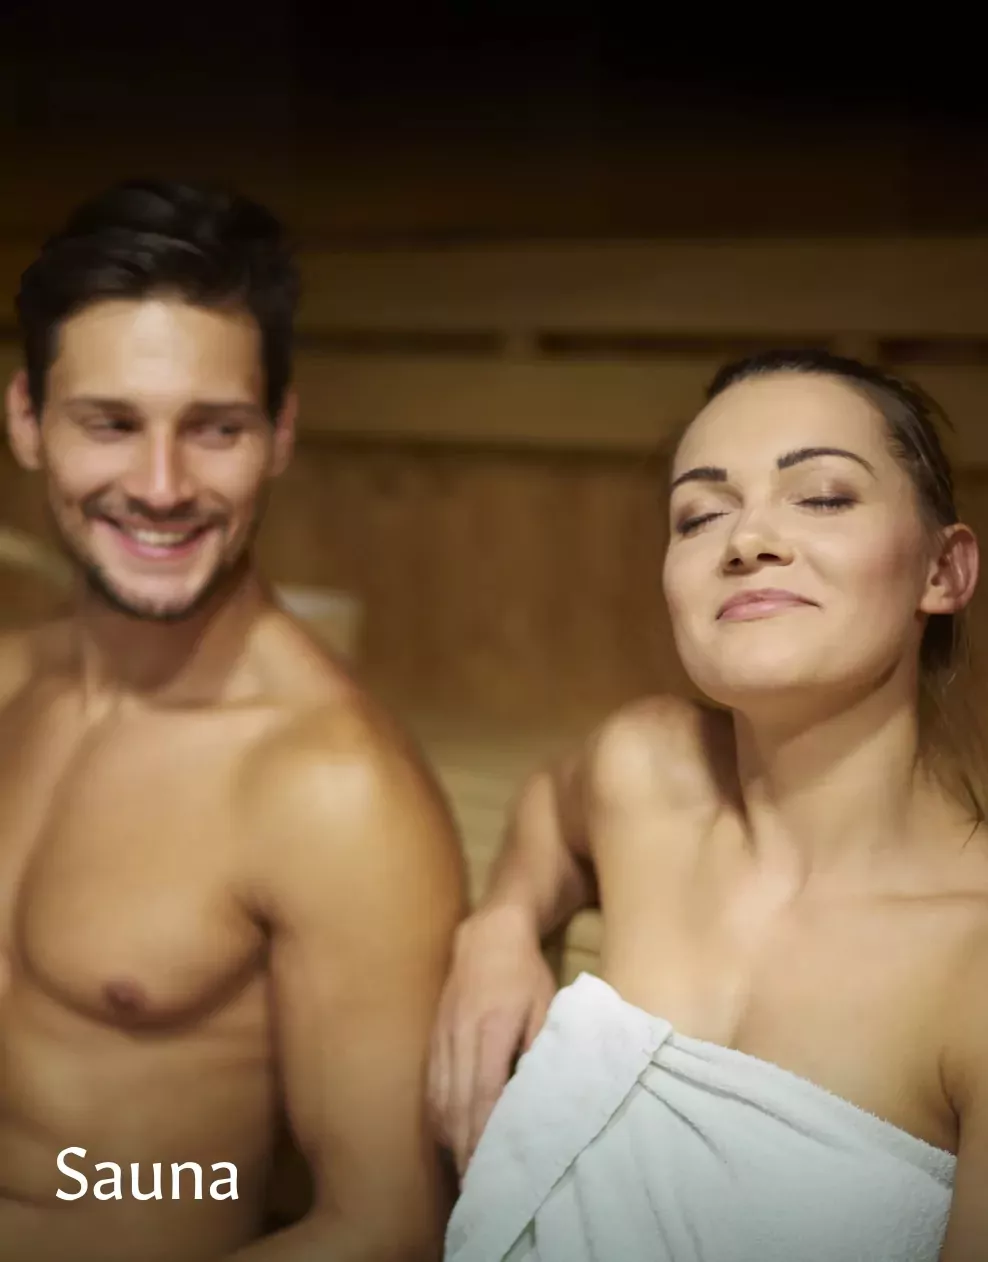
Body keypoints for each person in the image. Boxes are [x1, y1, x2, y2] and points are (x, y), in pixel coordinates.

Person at [431, 350, 988, 1262]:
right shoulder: (647, 772)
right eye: (701, 513)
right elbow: (549, 807)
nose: (748, 539)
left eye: (823, 496)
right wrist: (499, 923)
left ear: (942, 570)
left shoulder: (976, 967)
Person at [0, 179, 464, 1262]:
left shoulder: (328, 785)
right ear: (26, 419)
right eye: (109, 423)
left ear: (281, 433)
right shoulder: (7, 679)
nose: (161, 485)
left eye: (214, 429)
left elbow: (386, 1225)